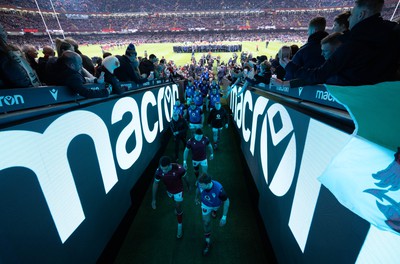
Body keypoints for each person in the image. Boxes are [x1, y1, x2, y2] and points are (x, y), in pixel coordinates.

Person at [281, 0, 400, 86]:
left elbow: (320, 75)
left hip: (353, 104)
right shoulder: (393, 32)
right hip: (387, 101)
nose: (348, 19)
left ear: (361, 14)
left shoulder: (353, 42)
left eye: (351, 14)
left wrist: (291, 67)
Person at [151, 156, 188, 239]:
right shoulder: (159, 171)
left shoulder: (179, 169)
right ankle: (177, 209)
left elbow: (185, 177)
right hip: (169, 190)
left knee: (178, 207)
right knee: (174, 203)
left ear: (170, 165)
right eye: (162, 168)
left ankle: (179, 226)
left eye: (166, 169)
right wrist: (153, 199)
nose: (164, 171)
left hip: (179, 190)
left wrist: (188, 186)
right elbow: (155, 184)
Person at [195, 173, 230, 256]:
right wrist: (196, 197)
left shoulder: (219, 190)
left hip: (216, 205)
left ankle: (214, 211)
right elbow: (198, 189)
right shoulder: (201, 184)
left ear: (208, 184)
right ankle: (207, 241)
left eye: (202, 185)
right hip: (205, 204)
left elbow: (227, 201)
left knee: (215, 211)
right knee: (206, 222)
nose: (200, 186)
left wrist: (224, 217)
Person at [284, 16, 328, 80]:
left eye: (308, 30)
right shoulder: (333, 48)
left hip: (305, 87)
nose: (307, 32)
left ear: (314, 30)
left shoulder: (304, 51)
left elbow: (290, 76)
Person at [0, 23, 41, 89]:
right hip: (22, 93)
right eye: (2, 30)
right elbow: (21, 81)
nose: (5, 32)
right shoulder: (6, 57)